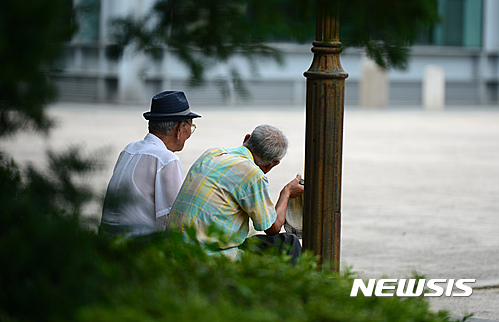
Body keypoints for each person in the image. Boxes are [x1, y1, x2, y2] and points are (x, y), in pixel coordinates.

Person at [167, 124, 304, 263]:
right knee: (289, 243)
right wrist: (286, 192)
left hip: (174, 248)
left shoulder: (212, 153)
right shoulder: (252, 174)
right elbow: (273, 228)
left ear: (246, 138)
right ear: (274, 164)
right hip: (207, 256)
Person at [100, 91, 201, 237]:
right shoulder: (167, 159)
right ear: (179, 129)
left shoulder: (129, 149)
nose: (190, 133)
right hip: (137, 246)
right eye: (190, 127)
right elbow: (172, 219)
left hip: (106, 240)